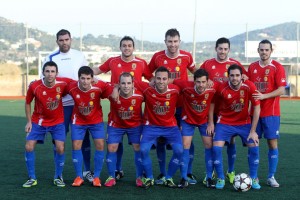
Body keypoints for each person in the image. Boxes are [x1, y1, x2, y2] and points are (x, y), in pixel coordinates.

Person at [93, 36, 152, 180]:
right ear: (120, 47)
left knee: (138, 146)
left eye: (129, 45)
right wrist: (84, 72)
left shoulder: (141, 63)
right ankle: (117, 170)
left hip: (134, 108)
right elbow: (97, 71)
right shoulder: (113, 61)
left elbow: (151, 80)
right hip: (117, 108)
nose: (127, 48)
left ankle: (141, 173)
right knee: (115, 144)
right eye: (124, 45)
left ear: (133, 48)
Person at [147, 28, 197, 185]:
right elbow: (148, 73)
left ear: (179, 42)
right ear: (165, 42)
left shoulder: (187, 56)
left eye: (175, 41)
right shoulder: (158, 57)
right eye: (170, 41)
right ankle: (162, 173)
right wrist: (153, 81)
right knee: (161, 140)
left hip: (182, 105)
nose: (172, 44)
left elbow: (196, 73)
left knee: (187, 140)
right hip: (163, 106)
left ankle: (187, 172)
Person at [43, 29, 94, 183]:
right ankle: (59, 173)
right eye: (61, 40)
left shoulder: (79, 55)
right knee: (59, 139)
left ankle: (86, 171)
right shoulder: (50, 57)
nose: (64, 42)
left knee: (84, 137)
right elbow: (44, 81)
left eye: (67, 39)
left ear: (71, 39)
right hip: (61, 106)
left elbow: (88, 75)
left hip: (79, 104)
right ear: (57, 41)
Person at [200, 37, 248, 184]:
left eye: (225, 49)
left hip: (229, 112)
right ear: (216, 49)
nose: (222, 51)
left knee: (231, 140)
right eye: (220, 48)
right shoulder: (207, 64)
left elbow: (245, 77)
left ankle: (231, 171)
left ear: (229, 50)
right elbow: (199, 79)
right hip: (211, 109)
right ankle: (210, 173)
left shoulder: (235, 64)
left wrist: (245, 76)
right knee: (211, 143)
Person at [212, 64, 261, 190]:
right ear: (228, 76)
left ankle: (254, 178)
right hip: (224, 122)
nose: (234, 78)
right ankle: (221, 178)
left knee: (254, 145)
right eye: (232, 75)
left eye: (237, 75)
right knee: (216, 148)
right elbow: (212, 103)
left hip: (244, 123)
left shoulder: (249, 86)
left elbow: (256, 107)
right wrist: (211, 122)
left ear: (241, 76)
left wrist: (253, 130)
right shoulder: (221, 88)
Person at [135, 66, 183, 189]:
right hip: (151, 126)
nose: (161, 81)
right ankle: (150, 178)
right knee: (144, 150)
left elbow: (189, 83)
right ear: (154, 79)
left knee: (179, 151)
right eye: (158, 78)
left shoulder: (175, 90)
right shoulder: (147, 88)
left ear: (168, 80)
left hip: (170, 127)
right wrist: (115, 87)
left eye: (164, 79)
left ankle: (168, 178)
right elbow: (127, 80)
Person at [23, 61, 68, 188]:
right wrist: (29, 121)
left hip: (57, 122)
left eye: (52, 71)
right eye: (47, 71)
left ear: (56, 73)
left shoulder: (63, 84)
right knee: (29, 147)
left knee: (60, 148)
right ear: (43, 72)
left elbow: (78, 84)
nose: (50, 74)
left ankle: (58, 176)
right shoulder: (35, 86)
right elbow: (27, 102)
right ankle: (32, 178)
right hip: (38, 121)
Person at [248, 39, 286, 188]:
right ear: (258, 50)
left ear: (271, 51)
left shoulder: (277, 67)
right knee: (253, 143)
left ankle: (271, 176)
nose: (264, 52)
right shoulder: (252, 67)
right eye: (261, 50)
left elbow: (282, 89)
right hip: (254, 113)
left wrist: (264, 96)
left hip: (271, 113)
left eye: (266, 50)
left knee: (272, 143)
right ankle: (253, 177)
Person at [173, 69, 216, 188]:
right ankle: (183, 178)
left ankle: (209, 177)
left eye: (203, 82)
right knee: (185, 146)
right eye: (198, 82)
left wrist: (211, 122)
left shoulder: (213, 87)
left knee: (209, 145)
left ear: (208, 81)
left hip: (204, 121)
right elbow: (172, 80)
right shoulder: (186, 86)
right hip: (188, 120)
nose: (201, 85)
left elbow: (214, 100)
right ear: (194, 81)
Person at [67, 66, 110, 187]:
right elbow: (60, 81)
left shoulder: (99, 86)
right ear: (78, 78)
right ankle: (78, 177)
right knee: (76, 145)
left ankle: (96, 177)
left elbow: (111, 87)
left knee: (100, 145)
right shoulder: (71, 86)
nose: (85, 81)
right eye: (82, 78)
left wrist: (116, 89)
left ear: (92, 79)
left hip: (95, 121)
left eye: (88, 78)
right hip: (78, 121)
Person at [103, 72, 144, 187]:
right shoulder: (112, 93)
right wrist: (115, 88)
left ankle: (139, 177)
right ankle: (111, 176)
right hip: (116, 124)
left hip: (135, 125)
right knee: (111, 147)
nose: (126, 86)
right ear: (119, 84)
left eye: (128, 83)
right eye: (123, 83)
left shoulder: (140, 95)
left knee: (138, 147)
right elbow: (101, 84)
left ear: (133, 84)